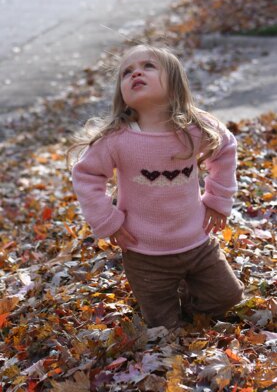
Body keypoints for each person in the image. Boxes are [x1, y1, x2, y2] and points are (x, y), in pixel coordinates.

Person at [70, 44, 244, 330]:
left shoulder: (196, 127)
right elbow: (86, 175)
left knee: (228, 296)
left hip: (198, 241)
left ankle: (191, 302)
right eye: (127, 71)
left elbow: (225, 149)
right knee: (163, 328)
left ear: (174, 81)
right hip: (144, 253)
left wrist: (217, 199)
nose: (136, 72)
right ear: (122, 94)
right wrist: (107, 220)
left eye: (149, 66)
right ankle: (171, 318)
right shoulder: (117, 139)